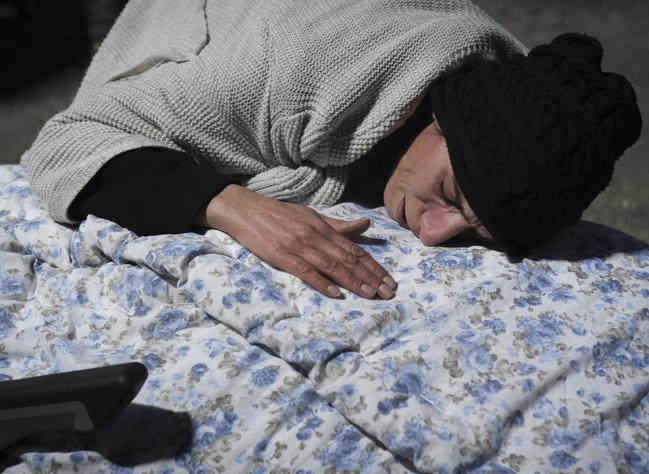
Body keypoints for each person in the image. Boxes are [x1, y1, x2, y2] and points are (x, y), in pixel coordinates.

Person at [21, 0, 641, 302]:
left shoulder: (508, 84)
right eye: (449, 196)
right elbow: (66, 140)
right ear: (436, 120)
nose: (431, 234)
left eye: (472, 232)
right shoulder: (281, 72)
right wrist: (229, 202)